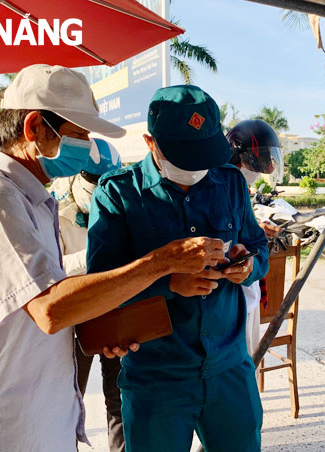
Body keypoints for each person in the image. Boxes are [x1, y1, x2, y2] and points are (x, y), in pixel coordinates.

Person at [0, 65, 226, 452]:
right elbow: (50, 308)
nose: (88, 147)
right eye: (79, 134)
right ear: (35, 127)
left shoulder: (33, 200)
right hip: (1, 427)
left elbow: (47, 304)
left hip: (39, 418)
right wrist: (161, 262)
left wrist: (106, 327)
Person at [86, 85, 270, 452]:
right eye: (184, 157)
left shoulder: (230, 183)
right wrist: (169, 283)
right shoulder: (119, 193)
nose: (196, 168)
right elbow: (101, 288)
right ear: (150, 142)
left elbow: (260, 247)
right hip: (157, 377)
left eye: (203, 155)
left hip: (229, 369)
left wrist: (247, 266)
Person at [49, 138, 125, 452]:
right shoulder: (54, 210)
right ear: (78, 177)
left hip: (114, 310)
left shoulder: (122, 205)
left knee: (120, 396)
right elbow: (47, 269)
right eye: (95, 181)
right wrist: (89, 257)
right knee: (69, 400)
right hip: (73, 315)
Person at [227, 119, 283, 356]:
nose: (255, 173)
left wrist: (257, 231)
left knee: (248, 363)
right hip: (231, 294)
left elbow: (244, 231)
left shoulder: (239, 187)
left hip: (249, 289)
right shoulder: (221, 186)